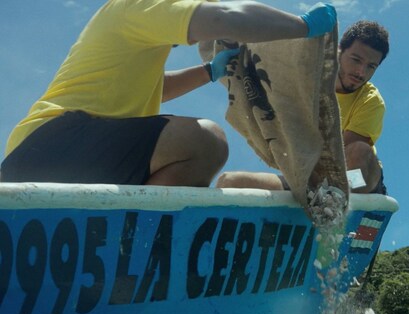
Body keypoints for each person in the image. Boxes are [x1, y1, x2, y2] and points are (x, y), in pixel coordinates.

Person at [0, 0, 337, 186]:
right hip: (55, 143)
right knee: (206, 141)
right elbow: (224, 18)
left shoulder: (127, 29)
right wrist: (303, 27)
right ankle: (135, 245)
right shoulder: (138, 6)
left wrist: (209, 72)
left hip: (40, 155)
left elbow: (155, 88)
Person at [216, 20, 389, 194]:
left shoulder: (371, 101)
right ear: (338, 51)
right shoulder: (306, 80)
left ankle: (337, 205)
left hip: (355, 181)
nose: (361, 72)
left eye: (371, 66)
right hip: (309, 182)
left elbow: (338, 158)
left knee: (360, 151)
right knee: (230, 182)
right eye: (356, 60)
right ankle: (317, 205)